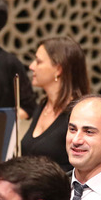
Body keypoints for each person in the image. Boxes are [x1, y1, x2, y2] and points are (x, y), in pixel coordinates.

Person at [22, 36, 89, 172]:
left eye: (38, 61)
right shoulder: (42, 106)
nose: (31, 66)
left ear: (58, 69)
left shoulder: (78, 113)